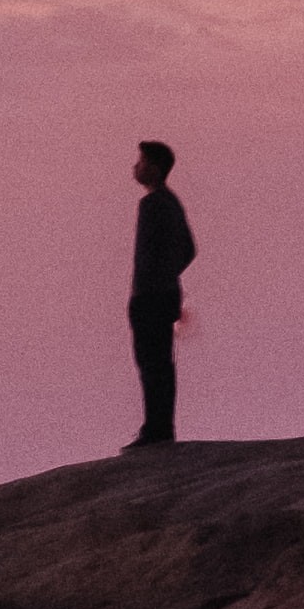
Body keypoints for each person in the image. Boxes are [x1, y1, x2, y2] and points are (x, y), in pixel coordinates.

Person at [127, 140, 196, 450]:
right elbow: (189, 250)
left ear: (153, 167)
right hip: (166, 296)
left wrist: (154, 280)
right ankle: (160, 428)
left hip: (150, 297)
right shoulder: (171, 202)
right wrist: (170, 276)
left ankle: (155, 431)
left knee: (151, 364)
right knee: (161, 365)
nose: (135, 167)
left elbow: (156, 257)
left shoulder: (153, 204)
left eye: (140, 162)